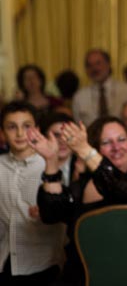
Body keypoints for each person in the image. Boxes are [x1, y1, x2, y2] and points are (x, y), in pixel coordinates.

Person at [30, 116, 127, 285]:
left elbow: (123, 193)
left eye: (121, 139)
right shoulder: (85, 183)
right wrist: (51, 162)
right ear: (97, 148)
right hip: (85, 277)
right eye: (106, 142)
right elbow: (52, 213)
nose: (116, 147)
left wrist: (85, 150)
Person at [0, 101, 64, 284]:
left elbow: (61, 213)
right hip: (5, 262)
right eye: (12, 127)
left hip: (42, 264)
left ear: (36, 129)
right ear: (2, 132)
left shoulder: (49, 166)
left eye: (26, 126)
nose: (20, 133)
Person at [72, 49, 127, 125]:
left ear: (108, 64)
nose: (94, 68)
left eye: (98, 63)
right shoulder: (80, 97)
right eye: (89, 65)